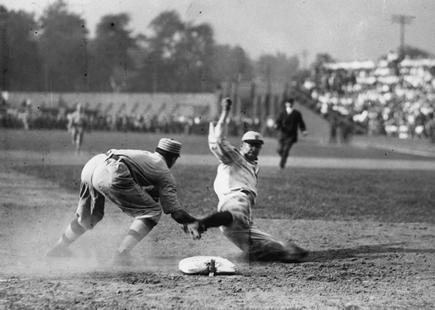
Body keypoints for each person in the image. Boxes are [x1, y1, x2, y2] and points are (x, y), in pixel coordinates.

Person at [184, 98, 308, 263]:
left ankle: (271, 251)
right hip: (236, 200)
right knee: (235, 214)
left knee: (275, 249)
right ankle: (200, 224)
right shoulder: (234, 157)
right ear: (242, 145)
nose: (254, 147)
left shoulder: (254, 165)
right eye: (250, 144)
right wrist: (225, 112)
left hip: (242, 219)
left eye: (257, 145)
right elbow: (218, 141)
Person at [47, 138, 201, 265]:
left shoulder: (146, 157)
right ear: (173, 158)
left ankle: (59, 248)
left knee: (90, 217)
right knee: (152, 211)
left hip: (94, 164)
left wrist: (183, 221)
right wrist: (192, 221)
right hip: (114, 172)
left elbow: (146, 192)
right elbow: (176, 212)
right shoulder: (164, 171)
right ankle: (122, 253)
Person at [274, 98, 307, 169]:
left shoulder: (297, 114)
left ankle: (281, 164)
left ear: (292, 104)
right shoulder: (282, 113)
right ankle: (284, 156)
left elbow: (301, 123)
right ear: (286, 104)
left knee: (286, 149)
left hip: (291, 136)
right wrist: (276, 125)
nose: (289, 104)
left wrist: (303, 130)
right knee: (279, 150)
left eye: (290, 102)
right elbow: (278, 122)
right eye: (287, 102)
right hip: (282, 134)